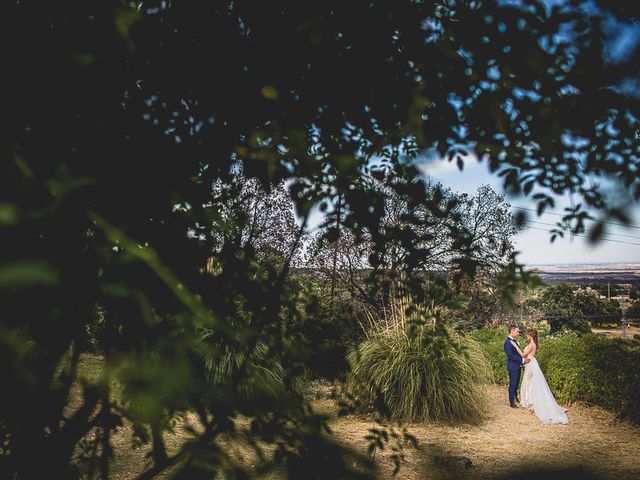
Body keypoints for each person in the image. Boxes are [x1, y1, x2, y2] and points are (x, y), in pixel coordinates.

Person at [510, 328, 569, 425]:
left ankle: (529, 402)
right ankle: (530, 401)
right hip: (531, 363)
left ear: (531, 336)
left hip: (530, 364)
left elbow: (523, 354)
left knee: (527, 382)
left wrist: (515, 346)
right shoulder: (533, 344)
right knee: (530, 382)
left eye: (528, 334)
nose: (526, 336)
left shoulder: (531, 344)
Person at [504, 325, 529, 409]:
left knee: (516, 383)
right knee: (513, 384)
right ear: (512, 331)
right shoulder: (508, 342)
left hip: (518, 366)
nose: (518, 333)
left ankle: (515, 398)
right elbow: (510, 356)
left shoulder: (515, 341)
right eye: (517, 331)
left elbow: (518, 353)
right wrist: (522, 361)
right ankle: (512, 403)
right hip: (512, 367)